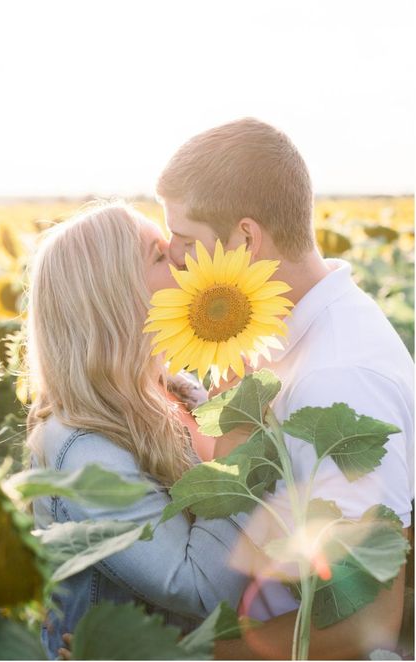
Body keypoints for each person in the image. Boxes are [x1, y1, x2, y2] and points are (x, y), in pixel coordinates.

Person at [154, 117, 414, 658]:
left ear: (245, 237)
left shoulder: (338, 377)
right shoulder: (283, 335)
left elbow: (362, 620)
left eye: (186, 240)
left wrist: (183, 656)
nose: (176, 258)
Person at [26, 202, 250, 660]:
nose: (185, 260)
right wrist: (241, 430)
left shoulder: (177, 390)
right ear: (114, 295)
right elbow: (200, 588)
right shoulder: (81, 450)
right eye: (158, 255)